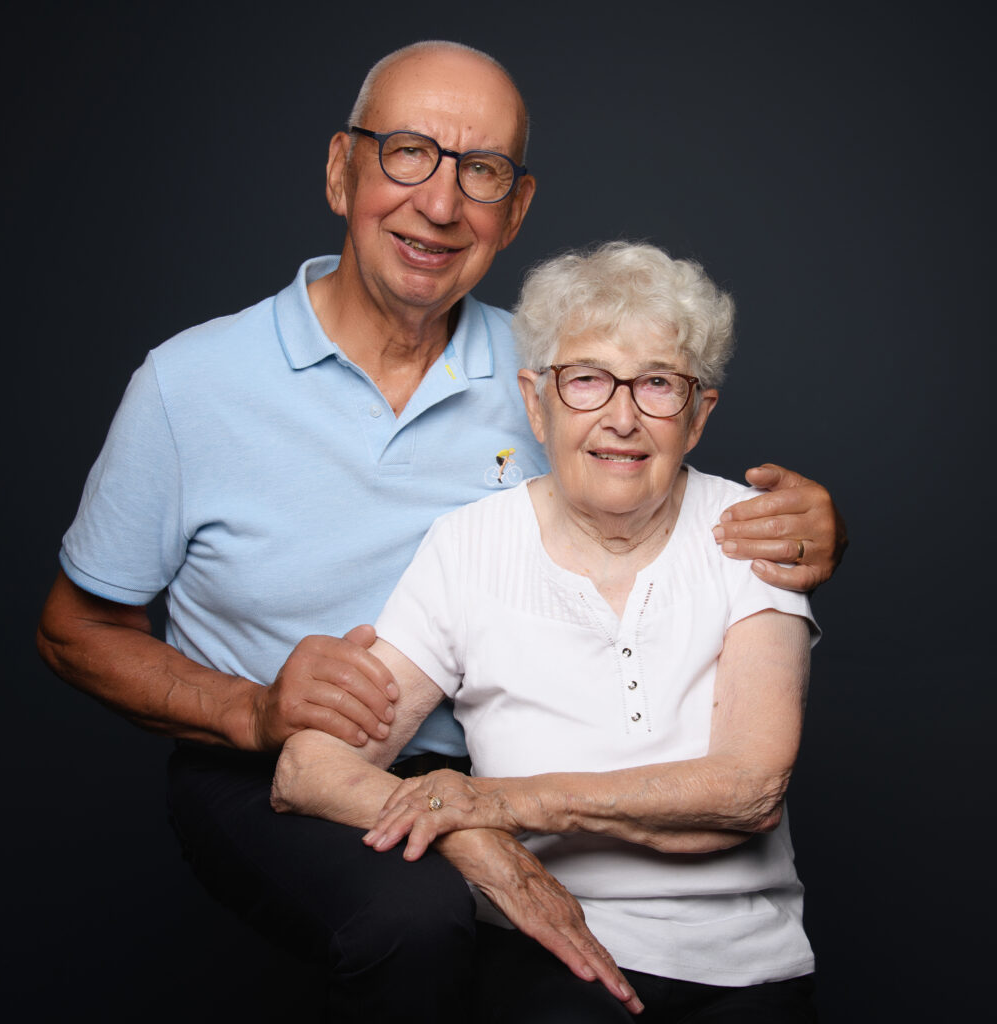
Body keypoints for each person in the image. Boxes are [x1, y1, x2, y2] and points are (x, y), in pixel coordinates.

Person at [37, 41, 843, 1022]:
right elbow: (73, 631)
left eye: (482, 171)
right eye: (408, 153)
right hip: (270, 758)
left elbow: (677, 503)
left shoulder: (557, 369)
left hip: (483, 762)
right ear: (341, 169)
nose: (440, 203)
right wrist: (256, 713)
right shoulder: (189, 384)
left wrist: (802, 530)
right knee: (416, 922)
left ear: (517, 207)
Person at [273, 241, 819, 1021]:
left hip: (748, 969)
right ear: (537, 403)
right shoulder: (471, 544)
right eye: (588, 380)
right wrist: (476, 844)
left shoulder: (751, 534)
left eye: (658, 383)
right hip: (542, 949)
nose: (622, 418)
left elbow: (747, 790)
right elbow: (310, 767)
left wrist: (494, 803)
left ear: (698, 417)